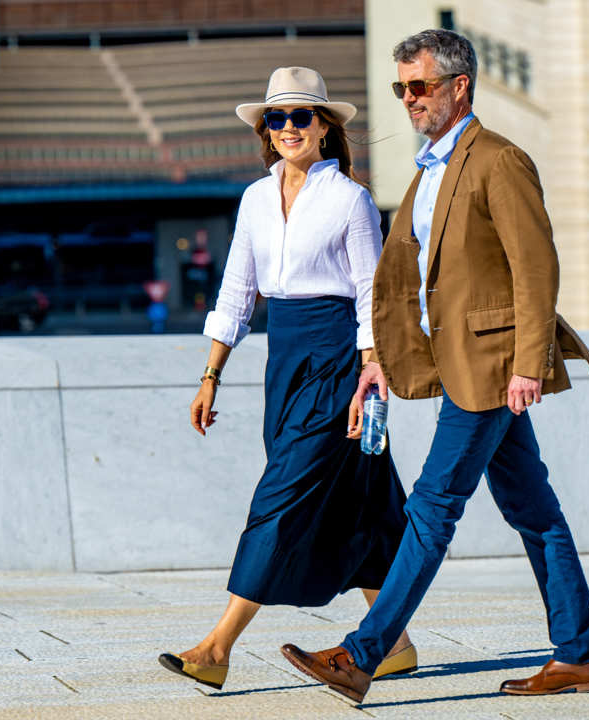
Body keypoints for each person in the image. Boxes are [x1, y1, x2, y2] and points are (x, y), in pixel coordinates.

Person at [279, 29, 589, 704]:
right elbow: (412, 279)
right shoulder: (432, 166)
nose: (408, 99)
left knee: (432, 506)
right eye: (402, 88)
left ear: (460, 86)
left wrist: (526, 365)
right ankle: (579, 655)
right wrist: (381, 360)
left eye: (420, 86)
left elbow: (535, 268)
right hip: (459, 362)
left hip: (490, 366)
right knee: (533, 509)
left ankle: (362, 654)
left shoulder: (498, 161)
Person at [157, 66, 415, 692]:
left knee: (281, 496)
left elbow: (368, 293)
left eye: (302, 116)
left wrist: (370, 372)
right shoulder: (253, 199)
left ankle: (217, 647)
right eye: (277, 118)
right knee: (358, 504)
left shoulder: (349, 198)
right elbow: (238, 290)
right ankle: (396, 642)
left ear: (325, 126)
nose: (288, 127)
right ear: (265, 131)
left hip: (336, 362)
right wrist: (211, 373)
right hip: (284, 361)